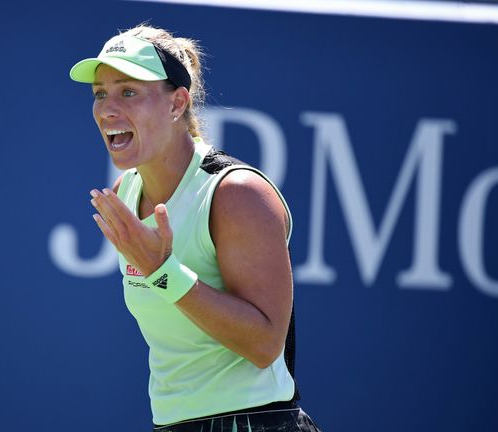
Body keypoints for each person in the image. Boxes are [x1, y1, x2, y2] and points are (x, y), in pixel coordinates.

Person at [70, 24, 322, 432]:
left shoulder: (237, 193)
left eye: (128, 91)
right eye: (100, 93)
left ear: (177, 104)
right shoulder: (125, 191)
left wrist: (162, 272)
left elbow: (264, 345)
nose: (107, 109)